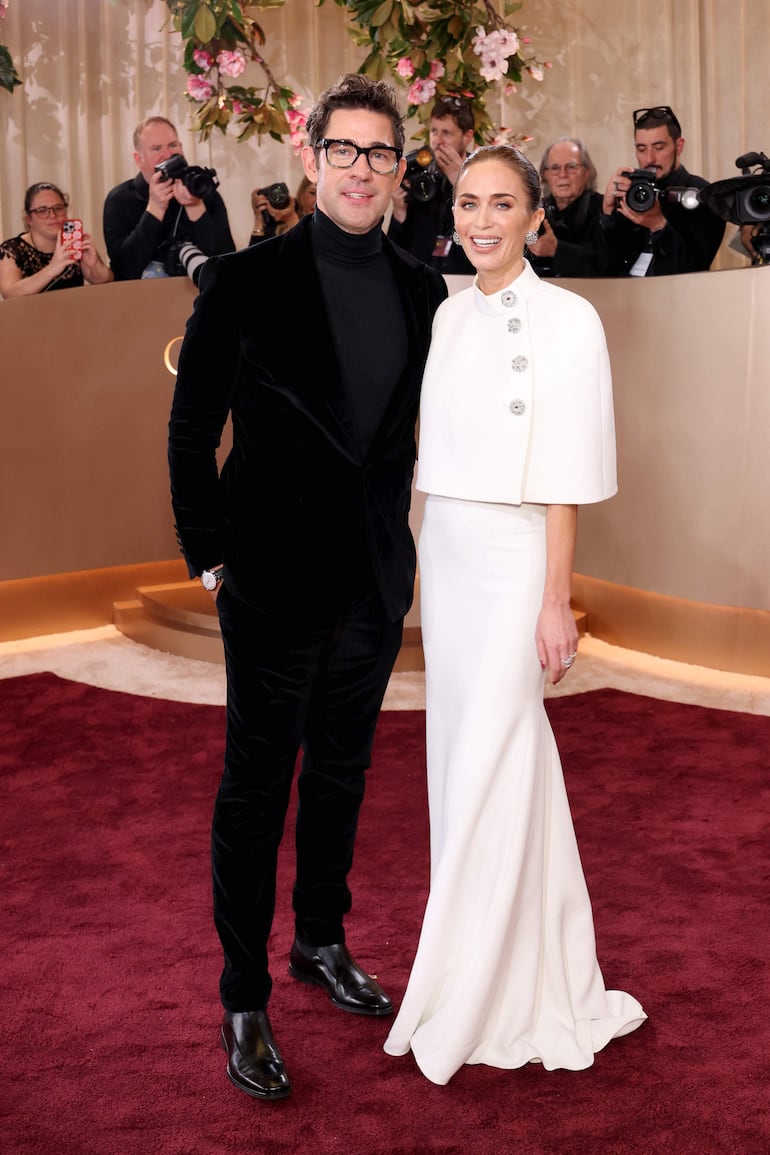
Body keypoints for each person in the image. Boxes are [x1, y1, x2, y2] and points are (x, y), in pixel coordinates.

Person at [167, 73, 447, 1102]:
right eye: (345, 151)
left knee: (340, 774)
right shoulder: (241, 282)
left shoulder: (425, 290)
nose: (362, 170)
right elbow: (191, 430)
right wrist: (207, 551)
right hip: (270, 578)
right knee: (256, 788)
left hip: (373, 580)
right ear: (310, 157)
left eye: (381, 154)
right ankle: (244, 992)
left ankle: (319, 942)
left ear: (398, 170)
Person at [383, 144, 646, 1084]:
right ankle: (490, 968)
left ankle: (488, 983)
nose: (482, 220)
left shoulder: (571, 319)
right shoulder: (444, 316)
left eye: (502, 204)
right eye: (467, 202)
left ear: (536, 215)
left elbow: (569, 471)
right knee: (465, 755)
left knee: (501, 743)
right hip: (447, 553)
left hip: (519, 553)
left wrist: (555, 600)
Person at [103, 116, 235, 280]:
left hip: (199, 298)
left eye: (172, 145)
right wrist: (155, 209)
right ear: (139, 159)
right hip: (140, 299)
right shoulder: (120, 199)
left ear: (181, 148)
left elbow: (226, 261)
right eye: (156, 148)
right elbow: (124, 269)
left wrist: (195, 207)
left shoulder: (204, 191)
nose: (167, 155)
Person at [600, 105, 725, 276]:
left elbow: (693, 270)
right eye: (641, 149)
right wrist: (607, 212)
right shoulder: (631, 193)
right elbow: (602, 265)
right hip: (624, 295)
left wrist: (658, 225)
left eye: (659, 148)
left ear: (679, 146)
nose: (649, 159)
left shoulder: (702, 195)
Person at [388, 94, 475, 275]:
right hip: (419, 278)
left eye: (447, 133)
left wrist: (461, 183)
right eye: (434, 131)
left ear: (467, 137)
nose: (438, 140)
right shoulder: (415, 168)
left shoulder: (481, 173)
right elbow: (395, 251)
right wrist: (398, 211)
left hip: (465, 277)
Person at [0, 182, 112, 298]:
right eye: (42, 210)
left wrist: (94, 266)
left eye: (58, 208)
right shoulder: (11, 250)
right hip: (30, 315)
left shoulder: (73, 243)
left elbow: (106, 283)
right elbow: (10, 293)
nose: (53, 215)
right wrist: (52, 269)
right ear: (29, 219)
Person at [527, 137, 607, 277]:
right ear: (545, 175)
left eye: (571, 167)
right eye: (555, 168)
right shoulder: (535, 212)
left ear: (587, 173)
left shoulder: (605, 209)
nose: (563, 175)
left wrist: (556, 249)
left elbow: (608, 264)